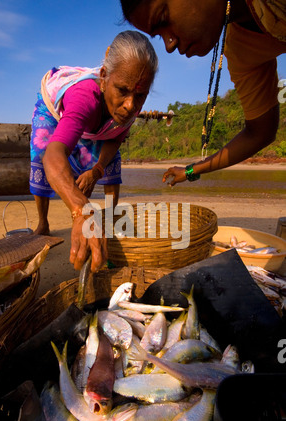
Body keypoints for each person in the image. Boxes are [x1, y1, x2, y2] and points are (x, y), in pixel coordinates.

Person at [119, 0, 286, 186]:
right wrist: (191, 170)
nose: (169, 45)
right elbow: (260, 132)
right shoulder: (242, 52)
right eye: (159, 36)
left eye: (163, 18)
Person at [29, 30, 158, 271]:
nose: (130, 105)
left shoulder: (130, 105)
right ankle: (43, 223)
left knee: (111, 163)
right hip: (54, 107)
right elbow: (54, 154)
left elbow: (114, 138)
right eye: (122, 90)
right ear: (103, 77)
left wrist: (97, 170)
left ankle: (107, 223)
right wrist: (81, 209)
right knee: (41, 152)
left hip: (97, 122)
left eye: (140, 95)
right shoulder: (84, 98)